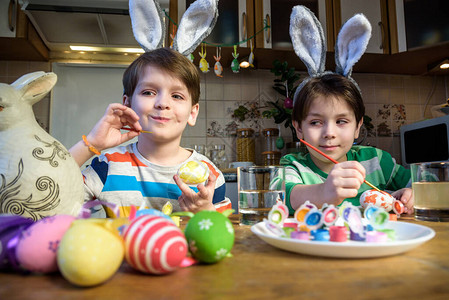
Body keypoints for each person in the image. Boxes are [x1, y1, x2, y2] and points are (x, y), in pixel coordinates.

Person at [69, 48, 231, 217]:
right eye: (148, 92)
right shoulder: (106, 166)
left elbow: (224, 233)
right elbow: (47, 200)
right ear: (128, 105)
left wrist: (207, 213)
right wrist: (91, 144)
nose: (162, 103)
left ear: (192, 113)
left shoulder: (209, 175)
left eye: (176, 96)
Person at [281, 73, 413, 215]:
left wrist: (412, 195)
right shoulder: (294, 166)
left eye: (341, 121)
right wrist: (324, 192)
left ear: (357, 127)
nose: (329, 133)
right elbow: (282, 196)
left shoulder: (376, 160)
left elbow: (427, 183)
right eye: (315, 122)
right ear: (299, 129)